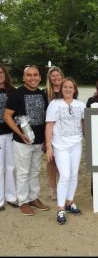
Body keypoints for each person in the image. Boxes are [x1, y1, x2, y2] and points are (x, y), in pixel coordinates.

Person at [4, 65, 49, 216]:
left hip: (39, 141)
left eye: (35, 75)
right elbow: (7, 116)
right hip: (22, 142)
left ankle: (33, 198)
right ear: (24, 78)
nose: (32, 78)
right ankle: (23, 201)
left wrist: (45, 140)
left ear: (40, 77)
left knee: (35, 171)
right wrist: (20, 133)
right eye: (29, 75)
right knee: (23, 172)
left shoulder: (42, 94)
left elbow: (45, 117)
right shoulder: (17, 94)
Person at [45, 77, 85, 225]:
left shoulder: (80, 105)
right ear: (61, 89)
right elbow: (49, 126)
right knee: (65, 175)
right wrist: (49, 146)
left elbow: (83, 122)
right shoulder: (54, 104)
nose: (68, 89)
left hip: (76, 143)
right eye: (65, 87)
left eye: (71, 87)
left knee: (74, 174)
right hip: (60, 145)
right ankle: (60, 208)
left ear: (75, 90)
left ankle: (69, 202)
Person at [44, 66, 64, 200]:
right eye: (53, 76)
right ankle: (53, 188)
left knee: (62, 160)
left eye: (58, 75)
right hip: (50, 130)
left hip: (64, 132)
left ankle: (63, 185)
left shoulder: (68, 90)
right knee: (52, 160)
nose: (56, 78)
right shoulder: (44, 93)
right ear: (50, 79)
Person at [0, 64, 18, 211]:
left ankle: (11, 197)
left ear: (5, 74)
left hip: (11, 133)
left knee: (11, 167)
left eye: (1, 72)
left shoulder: (13, 91)